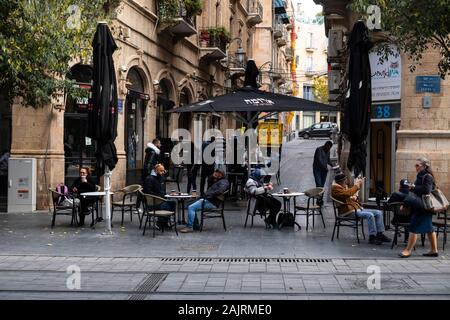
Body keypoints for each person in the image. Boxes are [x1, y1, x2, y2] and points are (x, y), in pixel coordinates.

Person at [331, 172, 391, 245]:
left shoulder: (342, 187)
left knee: (378, 212)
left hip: (355, 208)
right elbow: (347, 194)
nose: (346, 181)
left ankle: (380, 234)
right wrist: (356, 186)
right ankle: (372, 237)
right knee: (370, 215)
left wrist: (354, 195)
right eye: (345, 180)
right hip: (348, 211)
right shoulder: (335, 189)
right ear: (341, 181)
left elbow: (348, 195)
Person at [398, 157, 439, 258]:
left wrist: (414, 187)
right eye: (415, 165)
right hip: (421, 206)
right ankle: (434, 250)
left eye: (417, 165)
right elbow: (415, 193)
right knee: (429, 228)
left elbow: (426, 190)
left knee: (413, 227)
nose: (415, 167)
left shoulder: (427, 176)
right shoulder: (420, 176)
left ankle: (408, 250)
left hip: (423, 206)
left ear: (424, 166)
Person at [180, 168, 229, 233]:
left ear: (222, 174)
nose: (217, 174)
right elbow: (209, 184)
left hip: (213, 202)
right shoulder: (217, 180)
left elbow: (220, 191)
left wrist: (208, 195)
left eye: (219, 173)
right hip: (209, 200)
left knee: (191, 207)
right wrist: (212, 177)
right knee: (191, 205)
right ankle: (196, 225)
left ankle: (189, 227)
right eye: (216, 172)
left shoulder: (224, 182)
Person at [143, 163, 175, 228]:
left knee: (172, 203)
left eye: (163, 171)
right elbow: (148, 192)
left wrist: (167, 195)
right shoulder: (149, 179)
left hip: (160, 200)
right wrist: (160, 197)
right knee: (166, 205)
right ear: (155, 171)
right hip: (152, 203)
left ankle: (164, 222)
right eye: (161, 171)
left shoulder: (160, 178)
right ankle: (159, 223)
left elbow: (161, 191)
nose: (163, 172)